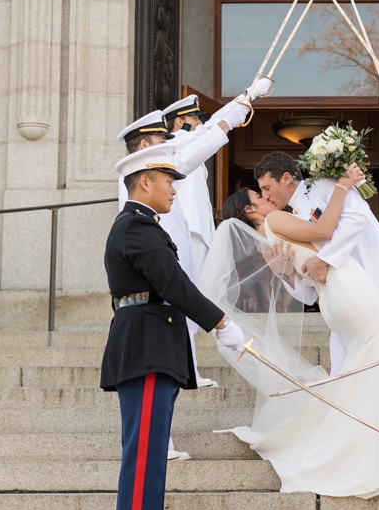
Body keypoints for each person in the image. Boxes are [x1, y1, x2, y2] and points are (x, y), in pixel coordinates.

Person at [204, 169, 379, 498]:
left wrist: (302, 263)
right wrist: (343, 185)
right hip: (349, 293)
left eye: (267, 189)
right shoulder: (278, 222)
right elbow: (324, 234)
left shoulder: (282, 225)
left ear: (287, 178)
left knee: (374, 376)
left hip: (352, 293)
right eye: (260, 195)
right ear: (250, 210)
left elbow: (344, 232)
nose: (266, 196)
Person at [101, 142, 247, 510]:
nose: (175, 191)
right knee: (144, 453)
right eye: (168, 182)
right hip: (146, 349)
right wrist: (220, 323)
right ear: (144, 182)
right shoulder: (136, 228)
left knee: (149, 454)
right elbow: (174, 284)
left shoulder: (144, 227)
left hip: (152, 346)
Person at [116, 80, 271, 454]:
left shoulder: (151, 193)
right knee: (151, 401)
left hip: (164, 305)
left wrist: (241, 104)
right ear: (143, 153)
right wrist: (221, 323)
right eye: (160, 143)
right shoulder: (138, 213)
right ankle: (158, 443)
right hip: (151, 312)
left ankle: (160, 441)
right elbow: (173, 284)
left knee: (164, 387)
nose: (169, 147)